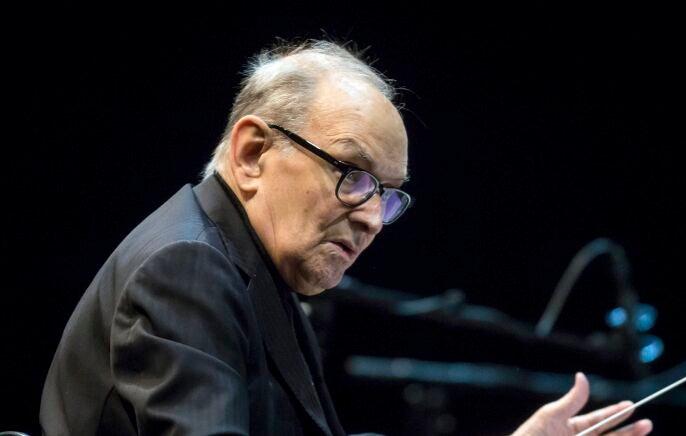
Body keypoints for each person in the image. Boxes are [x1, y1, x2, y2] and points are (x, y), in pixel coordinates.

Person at [39, 40, 653, 435]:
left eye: (388, 195)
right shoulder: (186, 269)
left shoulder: (254, 269)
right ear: (252, 153)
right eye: (353, 175)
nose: (372, 219)